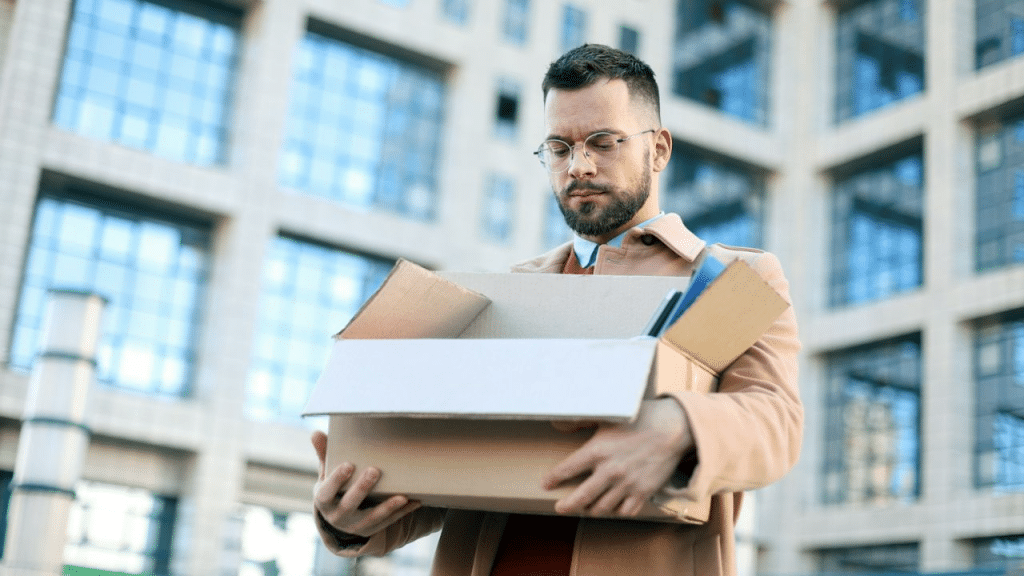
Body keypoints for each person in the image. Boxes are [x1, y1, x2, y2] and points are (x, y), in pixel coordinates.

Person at [310, 44, 802, 576]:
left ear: (658, 150)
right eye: (559, 148)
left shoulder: (731, 279)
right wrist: (351, 517)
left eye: (603, 142)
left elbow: (775, 421)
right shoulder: (505, 295)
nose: (579, 165)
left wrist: (680, 424)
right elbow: (459, 467)